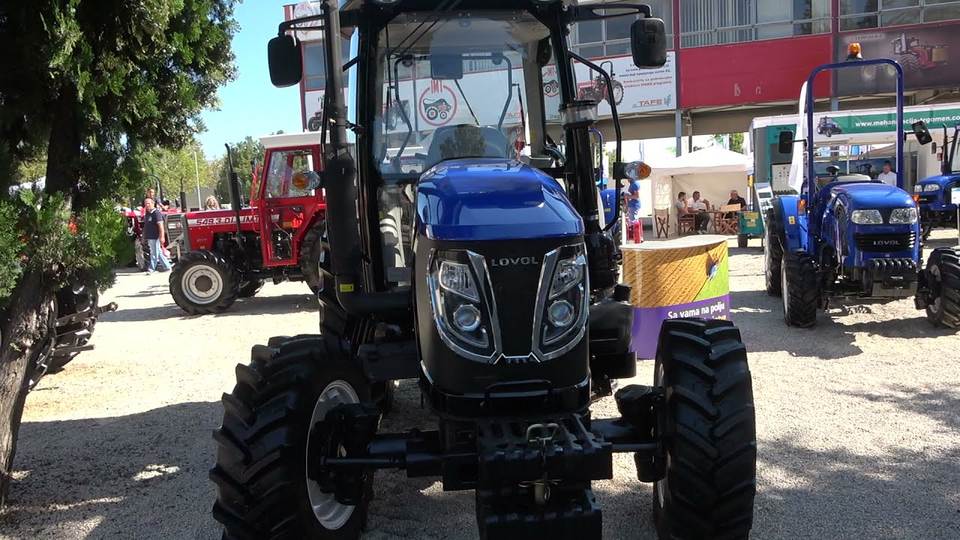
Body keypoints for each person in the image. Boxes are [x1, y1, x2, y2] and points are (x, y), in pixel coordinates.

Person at [143, 197, 172, 273]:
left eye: (148, 203)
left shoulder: (156, 213)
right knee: (158, 252)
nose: (147, 205)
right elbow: (146, 226)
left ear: (153, 203)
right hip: (149, 237)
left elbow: (161, 226)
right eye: (145, 204)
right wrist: (144, 236)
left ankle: (151, 269)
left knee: (154, 253)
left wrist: (162, 237)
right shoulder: (147, 214)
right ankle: (167, 267)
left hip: (155, 237)